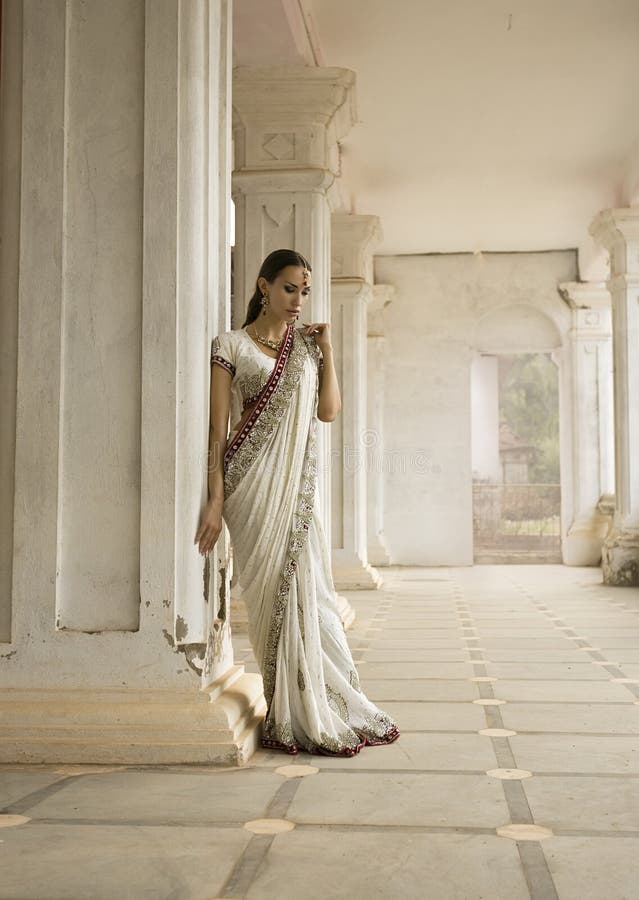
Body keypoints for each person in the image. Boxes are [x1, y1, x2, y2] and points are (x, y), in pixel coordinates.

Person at [194, 248, 399, 757]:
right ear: (264, 287)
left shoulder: (305, 350)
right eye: (290, 288)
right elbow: (217, 432)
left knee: (311, 593)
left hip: (297, 495)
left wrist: (327, 352)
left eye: (304, 291)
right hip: (250, 489)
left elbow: (328, 412)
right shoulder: (231, 346)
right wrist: (215, 500)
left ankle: (307, 706)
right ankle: (284, 705)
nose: (298, 300)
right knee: (268, 601)